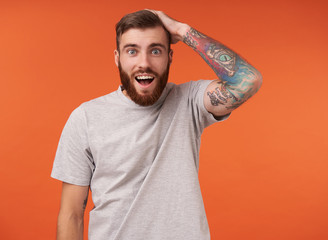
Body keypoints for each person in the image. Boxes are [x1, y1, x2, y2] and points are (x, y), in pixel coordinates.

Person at [51, 9, 262, 240]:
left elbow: (247, 80)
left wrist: (183, 31)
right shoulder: (85, 118)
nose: (144, 63)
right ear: (117, 58)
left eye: (155, 50)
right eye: (132, 51)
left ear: (170, 57)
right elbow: (72, 214)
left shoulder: (189, 101)